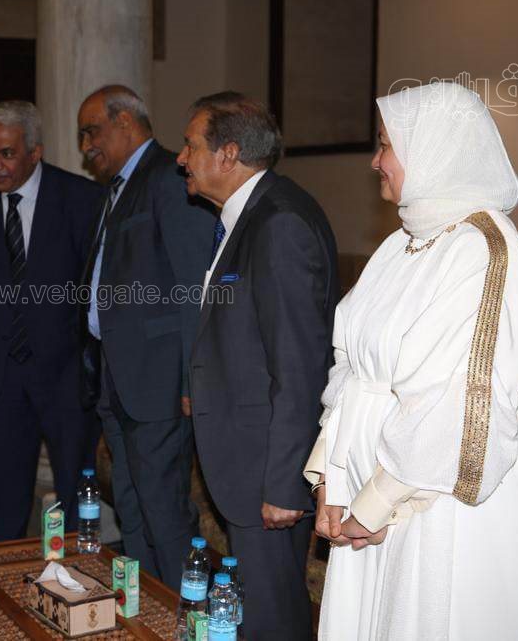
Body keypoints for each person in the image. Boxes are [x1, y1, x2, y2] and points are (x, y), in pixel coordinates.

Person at [304, 81, 518, 639]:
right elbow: (350, 367)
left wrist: (374, 505)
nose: (374, 162)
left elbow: (459, 407)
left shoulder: (486, 250)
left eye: (385, 145)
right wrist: (330, 479)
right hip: (369, 495)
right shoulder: (400, 244)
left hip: (435, 508)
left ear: (435, 148)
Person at [179, 92, 338, 640]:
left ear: (227, 154)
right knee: (257, 616)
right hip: (245, 456)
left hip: (265, 465)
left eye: (190, 146)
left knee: (272, 621)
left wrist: (286, 484)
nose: (181, 158)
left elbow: (300, 363)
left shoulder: (278, 222)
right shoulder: (250, 215)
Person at [76, 85, 216, 586]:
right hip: (117, 376)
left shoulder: (168, 177)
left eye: (91, 131)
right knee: (131, 509)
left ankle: (184, 613)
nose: (86, 145)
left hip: (159, 382)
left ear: (125, 122)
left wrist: (190, 380)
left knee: (163, 512)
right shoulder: (117, 187)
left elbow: (193, 285)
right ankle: (144, 610)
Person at [0, 100, 102, 540]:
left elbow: (95, 286)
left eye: (7, 154)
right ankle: (4, 570)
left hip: (66, 374)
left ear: (35, 152)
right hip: (0, 372)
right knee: (4, 496)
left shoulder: (81, 198)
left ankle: (76, 570)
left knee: (76, 494)